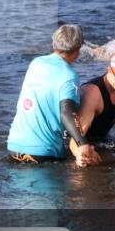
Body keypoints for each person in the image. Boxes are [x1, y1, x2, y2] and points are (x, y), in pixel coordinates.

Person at [6, 25, 100, 166]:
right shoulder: (69, 77)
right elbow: (67, 112)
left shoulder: (35, 63)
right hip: (44, 153)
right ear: (78, 50)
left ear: (53, 44)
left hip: (14, 147)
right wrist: (83, 144)